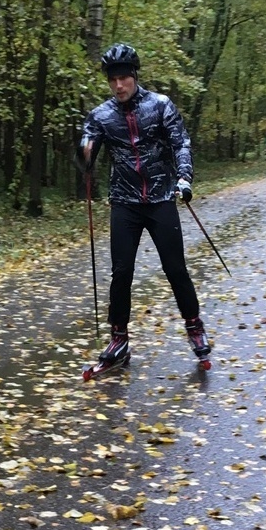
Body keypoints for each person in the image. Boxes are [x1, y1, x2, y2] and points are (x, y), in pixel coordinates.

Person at [78, 42, 211, 371]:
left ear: (134, 76)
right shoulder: (102, 115)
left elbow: (181, 141)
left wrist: (184, 178)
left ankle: (195, 327)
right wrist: (84, 150)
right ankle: (119, 339)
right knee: (121, 272)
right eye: (113, 80)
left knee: (174, 268)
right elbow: (84, 153)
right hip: (124, 201)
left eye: (123, 78)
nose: (118, 85)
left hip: (161, 196)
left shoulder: (160, 105)